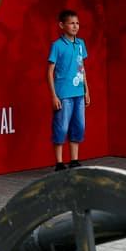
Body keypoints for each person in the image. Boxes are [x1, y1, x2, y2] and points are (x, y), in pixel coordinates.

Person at [48, 9, 90, 171]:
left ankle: (74, 159)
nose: (75, 26)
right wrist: (54, 95)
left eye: (77, 23)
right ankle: (59, 162)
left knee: (78, 126)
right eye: (71, 23)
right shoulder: (57, 46)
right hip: (63, 94)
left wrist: (86, 90)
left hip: (78, 93)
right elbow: (49, 71)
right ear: (61, 25)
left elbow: (82, 67)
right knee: (61, 127)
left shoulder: (80, 44)